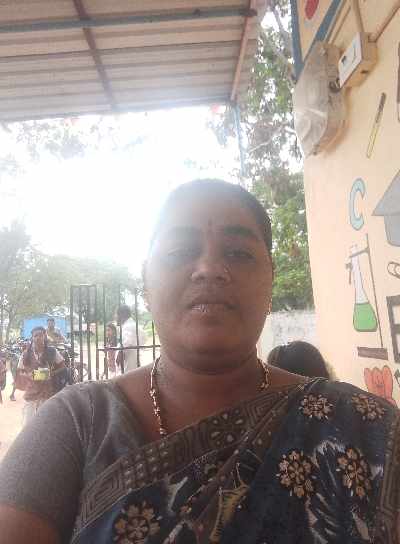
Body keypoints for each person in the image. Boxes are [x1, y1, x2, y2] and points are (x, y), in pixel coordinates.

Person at [0, 179, 399, 544]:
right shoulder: (76, 424)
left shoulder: (364, 428)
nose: (209, 269)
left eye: (239, 253)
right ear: (146, 281)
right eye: (179, 252)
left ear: (270, 277)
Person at [16, 326, 68, 425]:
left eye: (40, 335)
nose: (38, 338)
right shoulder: (26, 354)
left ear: (45, 336)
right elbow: (20, 372)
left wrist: (50, 373)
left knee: (47, 424)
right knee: (28, 425)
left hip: (47, 393)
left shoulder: (52, 352)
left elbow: (63, 367)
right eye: (35, 336)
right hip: (31, 393)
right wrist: (28, 376)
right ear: (32, 338)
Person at [115, 304, 146, 372]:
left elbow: (127, 342)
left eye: (116, 315)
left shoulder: (128, 326)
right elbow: (144, 338)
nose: (115, 317)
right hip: (135, 360)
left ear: (121, 315)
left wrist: (120, 352)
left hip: (128, 364)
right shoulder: (134, 325)